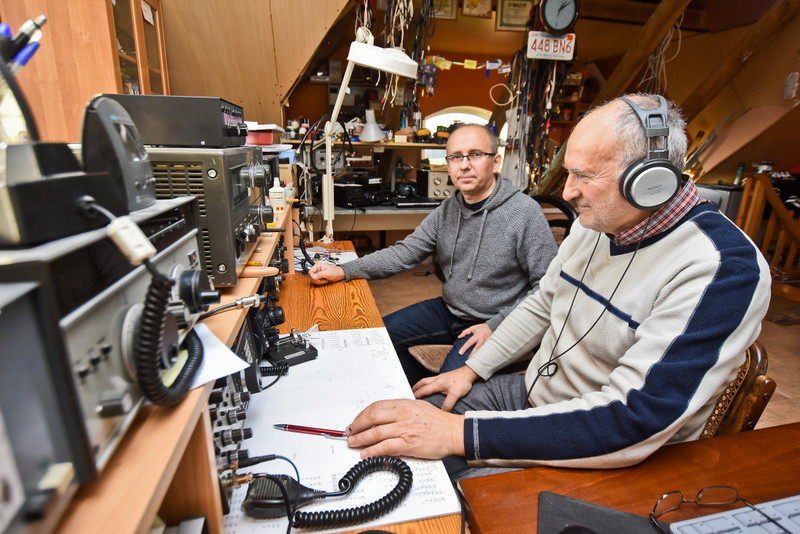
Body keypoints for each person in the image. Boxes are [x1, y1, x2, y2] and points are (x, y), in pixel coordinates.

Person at [343, 94, 772, 481]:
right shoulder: (596, 223)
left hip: (611, 443)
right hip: (535, 390)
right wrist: (470, 370)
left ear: (648, 181)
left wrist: (460, 434)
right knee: (411, 431)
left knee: (454, 486)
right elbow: (543, 302)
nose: (568, 192)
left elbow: (632, 418)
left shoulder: (722, 268)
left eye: (583, 176)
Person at [309, 123, 558, 383]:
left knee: (448, 387)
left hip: (497, 323)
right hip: (449, 311)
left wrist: (497, 326)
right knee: (375, 340)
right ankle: (410, 389)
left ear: (495, 161)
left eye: (475, 154)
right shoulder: (448, 209)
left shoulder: (524, 213)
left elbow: (549, 287)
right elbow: (404, 253)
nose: (464, 165)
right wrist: (344, 270)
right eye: (455, 157)